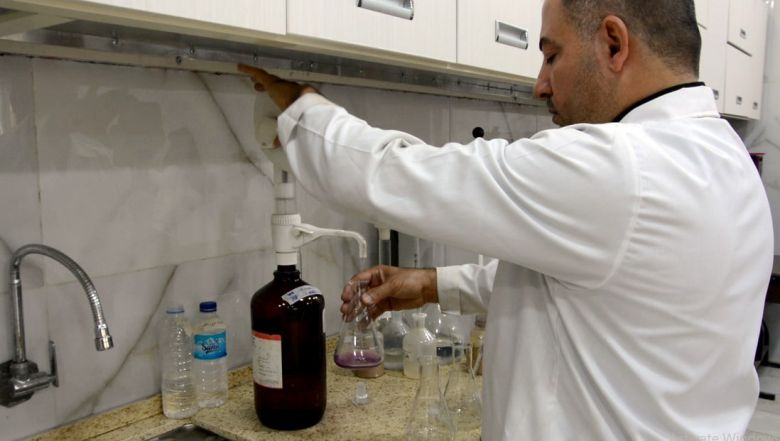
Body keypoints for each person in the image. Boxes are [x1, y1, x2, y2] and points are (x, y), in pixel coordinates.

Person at [238, 0, 774, 438]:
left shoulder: (620, 167)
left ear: (614, 43)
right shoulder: (725, 157)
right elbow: (606, 291)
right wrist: (431, 284)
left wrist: (300, 109)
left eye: (552, 55)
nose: (541, 84)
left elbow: (404, 175)